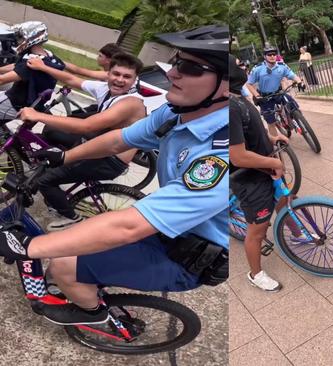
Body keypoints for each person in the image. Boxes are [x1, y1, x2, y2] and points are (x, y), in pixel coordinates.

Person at [0, 24, 230, 326]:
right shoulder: (176, 113)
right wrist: (65, 156)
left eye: (188, 67)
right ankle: (89, 280)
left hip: (187, 255)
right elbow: (118, 140)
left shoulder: (220, 156)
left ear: (227, 85)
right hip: (164, 231)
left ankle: (95, 315)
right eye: (175, 62)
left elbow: (129, 226)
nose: (172, 73)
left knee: (62, 264)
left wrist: (28, 247)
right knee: (80, 238)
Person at [18, 53, 147, 231]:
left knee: (45, 181)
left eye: (127, 77)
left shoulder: (130, 103)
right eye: (116, 74)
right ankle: (57, 193)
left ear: (134, 80)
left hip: (110, 160)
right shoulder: (104, 88)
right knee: (52, 138)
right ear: (108, 73)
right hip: (98, 145)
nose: (120, 80)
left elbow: (86, 126)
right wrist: (43, 67)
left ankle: (72, 217)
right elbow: (72, 79)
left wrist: (37, 115)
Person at [230, 55, 295, 292]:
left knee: (284, 197)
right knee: (257, 229)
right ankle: (255, 274)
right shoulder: (228, 107)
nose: (243, 67)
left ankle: (295, 232)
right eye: (238, 65)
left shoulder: (240, 97)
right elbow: (237, 156)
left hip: (264, 167)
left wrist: (272, 137)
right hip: (248, 178)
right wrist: (273, 162)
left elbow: (252, 129)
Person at [0, 21, 65, 122]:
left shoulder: (31, 63)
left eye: (21, 37)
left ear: (31, 38)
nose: (18, 40)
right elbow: (16, 67)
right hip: (29, 102)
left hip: (15, 104)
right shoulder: (47, 58)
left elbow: (2, 80)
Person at [245, 46, 304, 137]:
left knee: (293, 105)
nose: (272, 56)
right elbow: (249, 84)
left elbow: (292, 75)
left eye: (274, 54)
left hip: (278, 92)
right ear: (265, 56)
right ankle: (277, 141)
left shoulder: (281, 66)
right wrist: (257, 95)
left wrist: (299, 82)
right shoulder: (257, 69)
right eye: (269, 55)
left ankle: (296, 119)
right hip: (265, 97)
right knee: (271, 122)